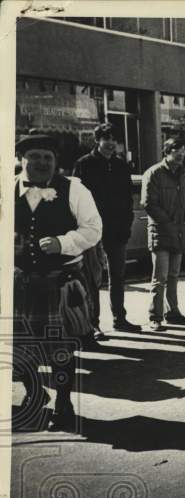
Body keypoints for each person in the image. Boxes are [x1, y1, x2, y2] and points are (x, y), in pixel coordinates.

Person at [13, 133, 102, 430]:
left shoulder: (75, 190)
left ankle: (63, 404)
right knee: (19, 347)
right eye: (34, 156)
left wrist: (64, 242)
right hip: (19, 282)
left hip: (58, 282)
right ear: (21, 160)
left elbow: (93, 229)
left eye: (48, 158)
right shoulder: (6, 187)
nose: (41, 162)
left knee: (60, 350)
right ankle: (34, 394)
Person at [72, 122, 141, 336]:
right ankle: (93, 324)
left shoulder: (121, 166)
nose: (111, 143)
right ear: (97, 140)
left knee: (118, 276)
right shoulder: (84, 164)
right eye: (107, 138)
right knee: (92, 279)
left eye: (114, 139)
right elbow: (74, 199)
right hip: (91, 231)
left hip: (117, 231)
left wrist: (127, 223)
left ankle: (120, 318)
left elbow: (128, 198)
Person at [140, 138, 185, 332]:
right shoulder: (154, 173)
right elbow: (148, 203)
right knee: (160, 277)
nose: (181, 154)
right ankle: (155, 316)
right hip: (161, 232)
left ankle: (173, 312)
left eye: (183, 150)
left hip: (179, 232)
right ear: (166, 151)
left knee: (173, 275)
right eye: (176, 150)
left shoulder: (184, 175)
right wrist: (169, 223)